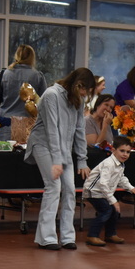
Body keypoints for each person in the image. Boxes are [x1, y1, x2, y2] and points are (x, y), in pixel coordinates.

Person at [24, 68, 96, 250]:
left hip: (63, 147)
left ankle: (67, 236)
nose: (84, 95)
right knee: (54, 186)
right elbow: (51, 130)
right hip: (43, 144)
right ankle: (46, 238)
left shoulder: (77, 100)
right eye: (84, 91)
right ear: (78, 84)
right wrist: (56, 161)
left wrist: (82, 160)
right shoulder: (51, 95)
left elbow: (79, 130)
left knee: (70, 189)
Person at [82, 136, 135, 246]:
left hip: (103, 192)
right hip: (93, 192)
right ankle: (92, 235)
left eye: (128, 152)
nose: (125, 154)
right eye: (122, 151)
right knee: (106, 211)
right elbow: (103, 183)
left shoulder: (120, 164)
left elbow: (121, 178)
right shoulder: (109, 164)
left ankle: (110, 234)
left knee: (114, 212)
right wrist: (113, 200)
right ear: (113, 150)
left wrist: (131, 188)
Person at [0, 45, 48, 141]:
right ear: (32, 57)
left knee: (3, 155)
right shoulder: (38, 76)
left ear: (16, 56)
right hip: (29, 125)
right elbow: (44, 102)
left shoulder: (4, 74)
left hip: (7, 123)